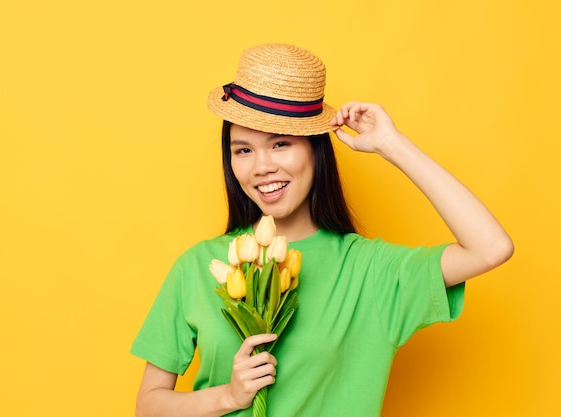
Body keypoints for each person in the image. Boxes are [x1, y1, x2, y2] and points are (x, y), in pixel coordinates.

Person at [130, 43, 513, 417]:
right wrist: (229, 397)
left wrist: (391, 144)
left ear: (316, 149)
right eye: (243, 150)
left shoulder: (369, 271)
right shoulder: (199, 266)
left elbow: (491, 248)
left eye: (280, 144)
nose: (261, 166)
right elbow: (148, 406)